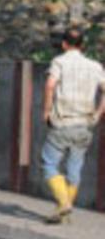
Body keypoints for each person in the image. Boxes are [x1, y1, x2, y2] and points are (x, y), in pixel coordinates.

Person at [40, 29, 105, 224]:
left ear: (64, 44)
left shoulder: (59, 62)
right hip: (85, 123)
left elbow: (50, 85)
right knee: (75, 167)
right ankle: (64, 209)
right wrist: (99, 111)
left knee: (49, 163)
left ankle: (64, 202)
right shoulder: (95, 66)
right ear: (82, 45)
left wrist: (46, 110)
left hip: (63, 122)